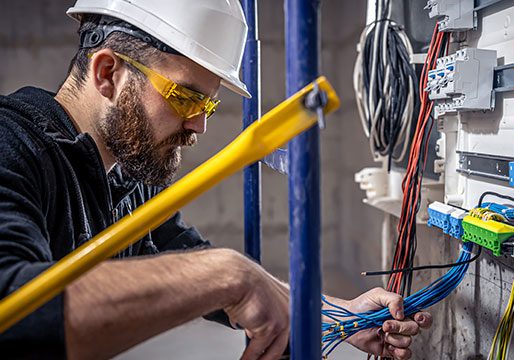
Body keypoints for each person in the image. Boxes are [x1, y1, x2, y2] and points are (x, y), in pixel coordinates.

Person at [0, 1, 432, 359]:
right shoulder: (11, 146)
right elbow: (16, 315)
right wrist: (228, 273)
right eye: (185, 97)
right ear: (108, 73)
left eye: (205, 106)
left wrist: (337, 317)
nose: (198, 126)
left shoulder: (125, 177)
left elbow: (190, 260)